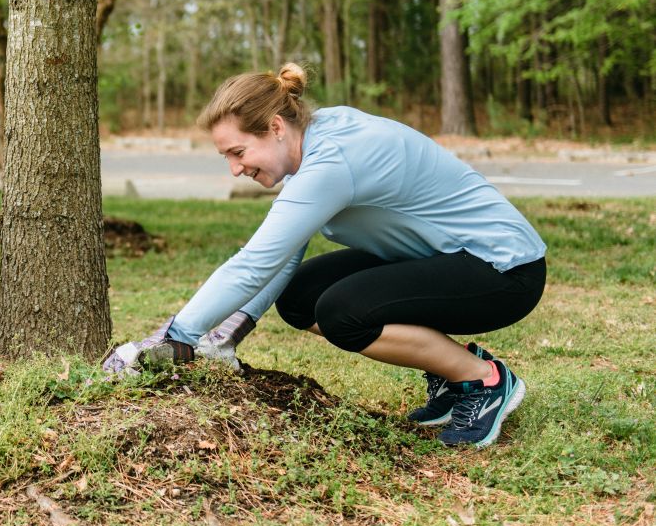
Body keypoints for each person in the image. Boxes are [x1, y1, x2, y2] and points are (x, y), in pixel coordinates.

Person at [103, 63, 546, 449]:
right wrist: (227, 334)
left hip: (503, 269)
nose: (235, 169)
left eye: (238, 152)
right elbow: (282, 255)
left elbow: (254, 261)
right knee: (300, 298)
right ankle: (452, 373)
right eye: (227, 157)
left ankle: (484, 380)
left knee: (342, 313)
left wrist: (174, 337)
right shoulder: (315, 139)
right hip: (442, 257)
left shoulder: (331, 161)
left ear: (276, 127)